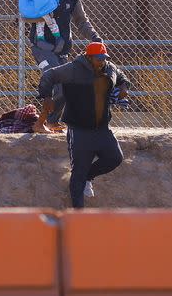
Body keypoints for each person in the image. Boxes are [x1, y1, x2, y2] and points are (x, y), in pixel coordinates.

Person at [38, 42, 130, 209]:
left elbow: (121, 76)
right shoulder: (73, 69)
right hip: (79, 130)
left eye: (104, 58)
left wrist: (123, 86)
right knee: (78, 172)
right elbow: (49, 75)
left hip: (102, 129)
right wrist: (47, 96)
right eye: (98, 58)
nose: (102, 62)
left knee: (115, 158)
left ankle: (88, 176)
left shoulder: (109, 68)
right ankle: (78, 214)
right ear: (89, 57)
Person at [31, 0, 103, 131]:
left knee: (67, 85)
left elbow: (81, 21)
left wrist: (95, 37)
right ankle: (41, 123)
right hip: (42, 49)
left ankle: (51, 121)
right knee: (54, 80)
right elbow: (27, 10)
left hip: (61, 50)